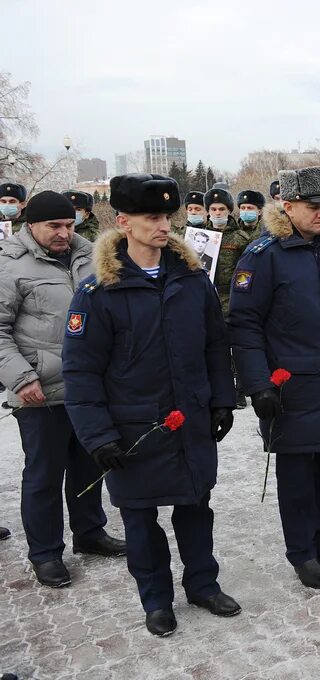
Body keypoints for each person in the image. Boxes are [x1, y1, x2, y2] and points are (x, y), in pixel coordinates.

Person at [62, 173, 240, 637]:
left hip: (191, 420)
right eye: (152, 218)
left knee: (196, 508)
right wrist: (97, 436)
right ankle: (156, 600)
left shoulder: (192, 279)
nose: (164, 226)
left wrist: (222, 400)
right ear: (123, 222)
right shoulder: (99, 291)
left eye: (167, 217)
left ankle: (203, 583)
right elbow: (81, 371)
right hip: (133, 429)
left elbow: (214, 346)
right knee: (141, 520)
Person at [228, 166, 320, 591]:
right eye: (313, 207)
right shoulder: (264, 257)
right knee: (297, 477)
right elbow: (244, 325)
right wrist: (257, 384)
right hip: (291, 388)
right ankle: (302, 551)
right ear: (286, 206)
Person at [0, 190, 126, 590]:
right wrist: (23, 378)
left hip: (89, 388)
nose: (64, 234)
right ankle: (46, 553)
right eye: (55, 226)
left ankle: (90, 533)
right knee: (44, 474)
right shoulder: (8, 264)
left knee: (89, 465)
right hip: (40, 392)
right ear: (31, 224)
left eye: (70, 225)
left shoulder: (91, 255)